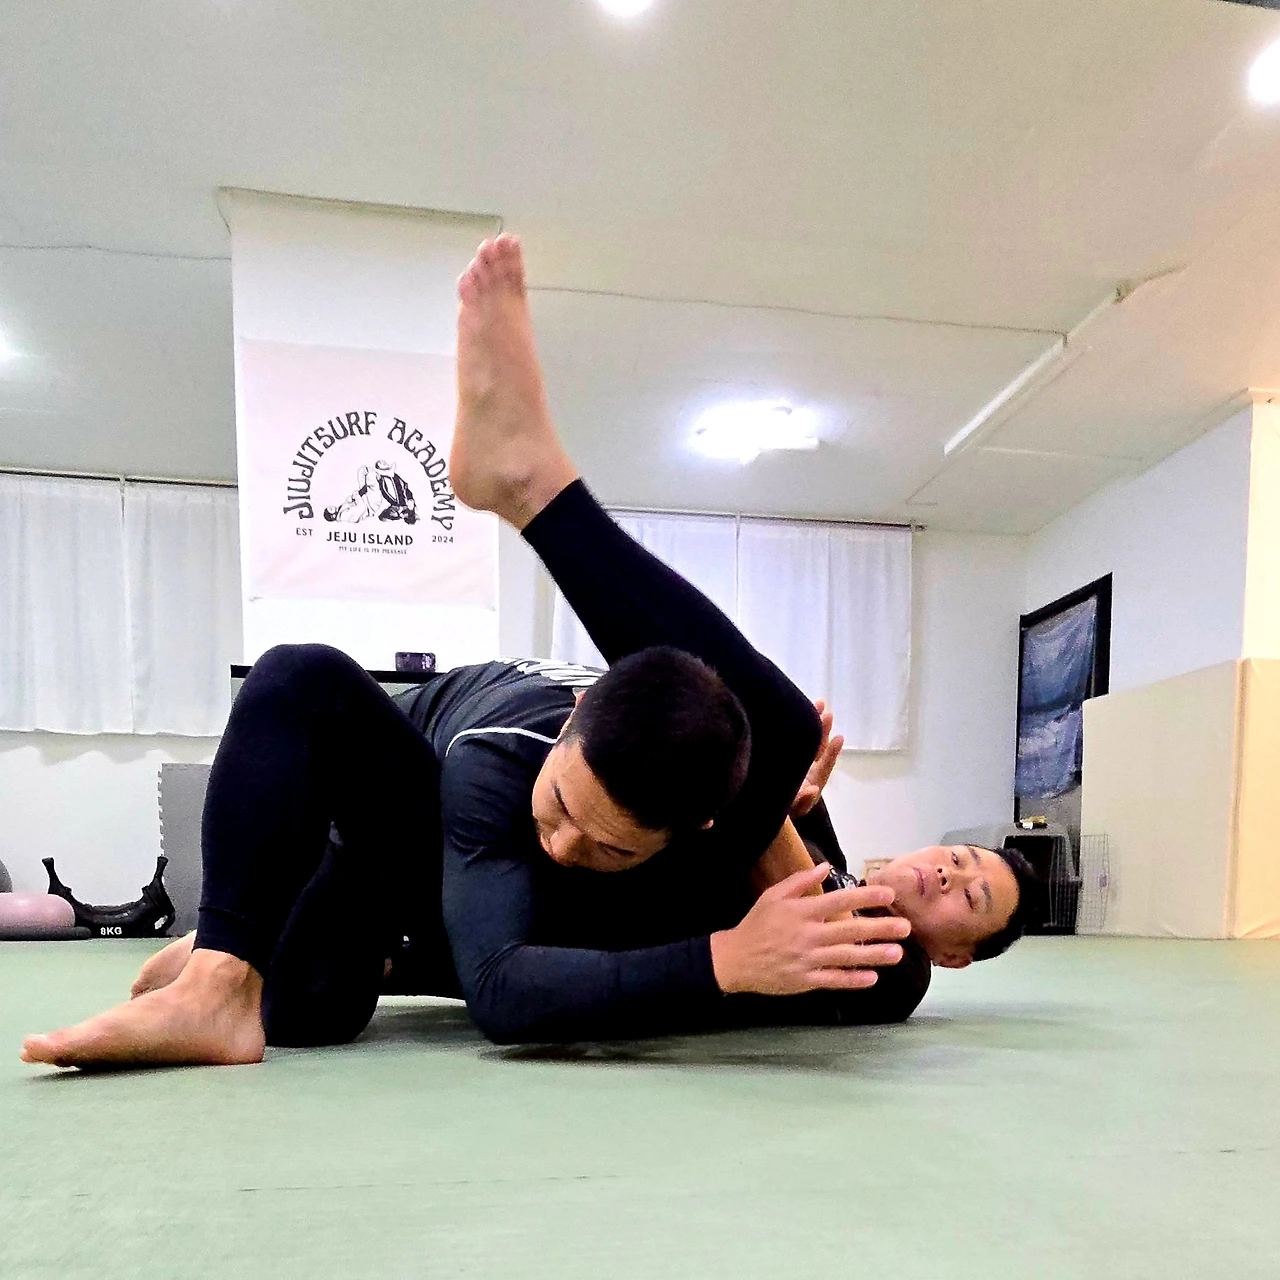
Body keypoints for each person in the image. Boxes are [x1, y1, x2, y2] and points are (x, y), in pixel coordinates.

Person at [19, 235, 1021, 1070]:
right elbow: (502, 991)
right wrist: (723, 959)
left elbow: (874, 977)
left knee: (317, 1012)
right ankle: (220, 970)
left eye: (968, 897)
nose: (567, 844)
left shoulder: (760, 811)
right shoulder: (499, 766)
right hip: (402, 808)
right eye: (567, 810)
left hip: (606, 860)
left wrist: (766, 841)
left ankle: (263, 944)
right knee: (300, 684)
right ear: (575, 726)